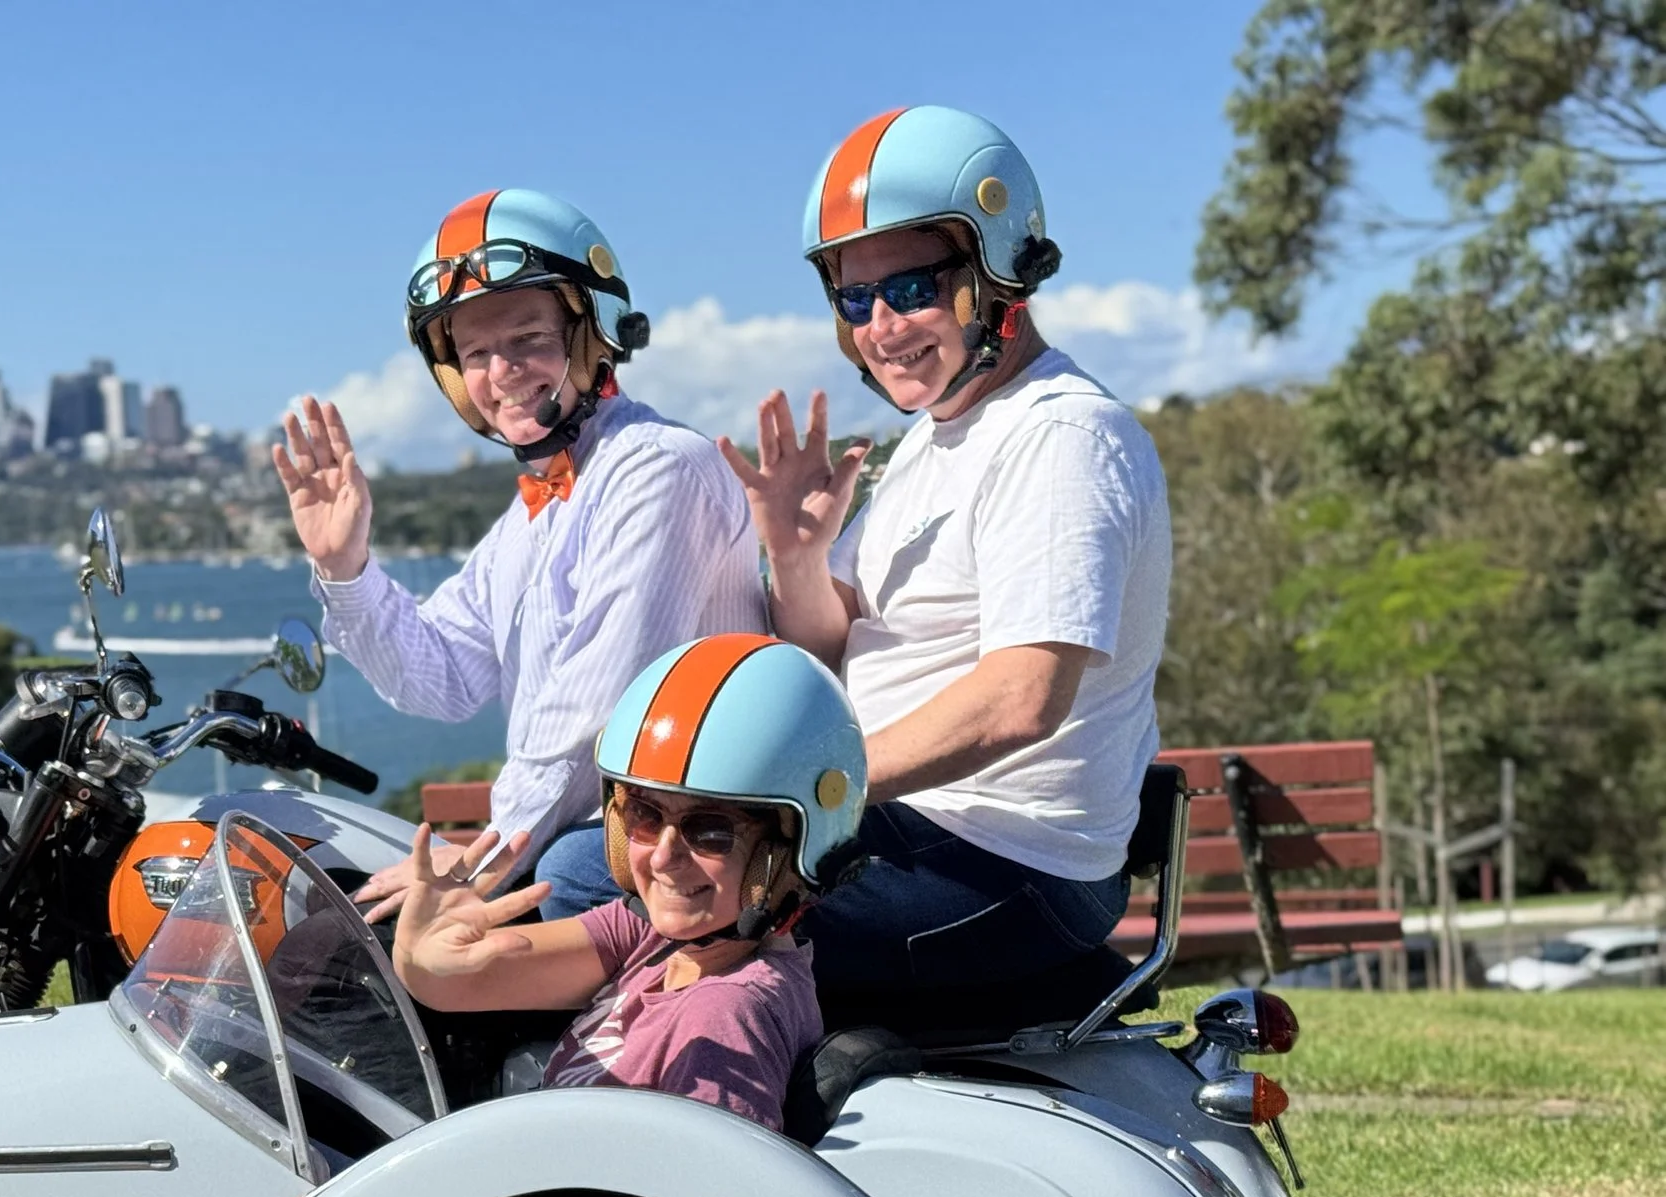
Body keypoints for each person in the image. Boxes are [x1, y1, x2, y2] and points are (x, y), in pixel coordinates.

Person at [720, 106, 1172, 1000]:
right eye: (856, 301)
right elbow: (833, 643)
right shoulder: (936, 438)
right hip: (908, 826)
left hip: (1006, 855)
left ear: (1001, 272)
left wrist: (808, 793)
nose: (882, 327)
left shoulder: (1063, 438)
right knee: (615, 874)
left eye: (913, 288)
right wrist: (797, 559)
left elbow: (1021, 699)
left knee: (680, 926)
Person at [272, 188, 765, 923]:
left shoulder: (658, 468)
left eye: (528, 339)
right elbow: (438, 678)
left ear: (593, 332)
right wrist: (346, 567)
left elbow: (590, 717)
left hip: (695, 848)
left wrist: (477, 865)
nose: (501, 370)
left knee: (427, 944)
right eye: (475, 353)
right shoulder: (533, 512)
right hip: (597, 833)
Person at [392, 635, 864, 1133]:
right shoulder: (656, 939)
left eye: (711, 831)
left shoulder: (722, 1014)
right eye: (643, 813)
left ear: (790, 852)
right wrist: (418, 952)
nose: (663, 856)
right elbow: (462, 983)